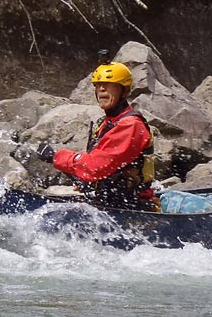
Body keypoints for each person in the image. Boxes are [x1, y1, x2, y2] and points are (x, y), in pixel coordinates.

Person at [35, 58, 158, 211]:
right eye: (98, 85)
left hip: (134, 207)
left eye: (109, 85)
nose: (102, 89)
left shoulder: (131, 125)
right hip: (111, 202)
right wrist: (86, 181)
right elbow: (104, 168)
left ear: (125, 91)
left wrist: (56, 156)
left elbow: (95, 167)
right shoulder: (106, 123)